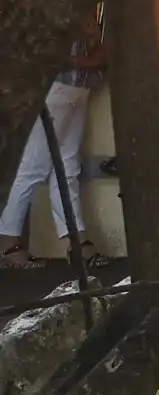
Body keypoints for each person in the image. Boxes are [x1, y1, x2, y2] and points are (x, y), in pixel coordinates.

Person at [2, 16, 107, 268]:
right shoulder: (57, 2)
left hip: (77, 90)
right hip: (55, 89)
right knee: (34, 167)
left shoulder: (84, 6)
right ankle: (7, 240)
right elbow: (45, 56)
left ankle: (76, 239)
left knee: (67, 168)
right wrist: (87, 60)